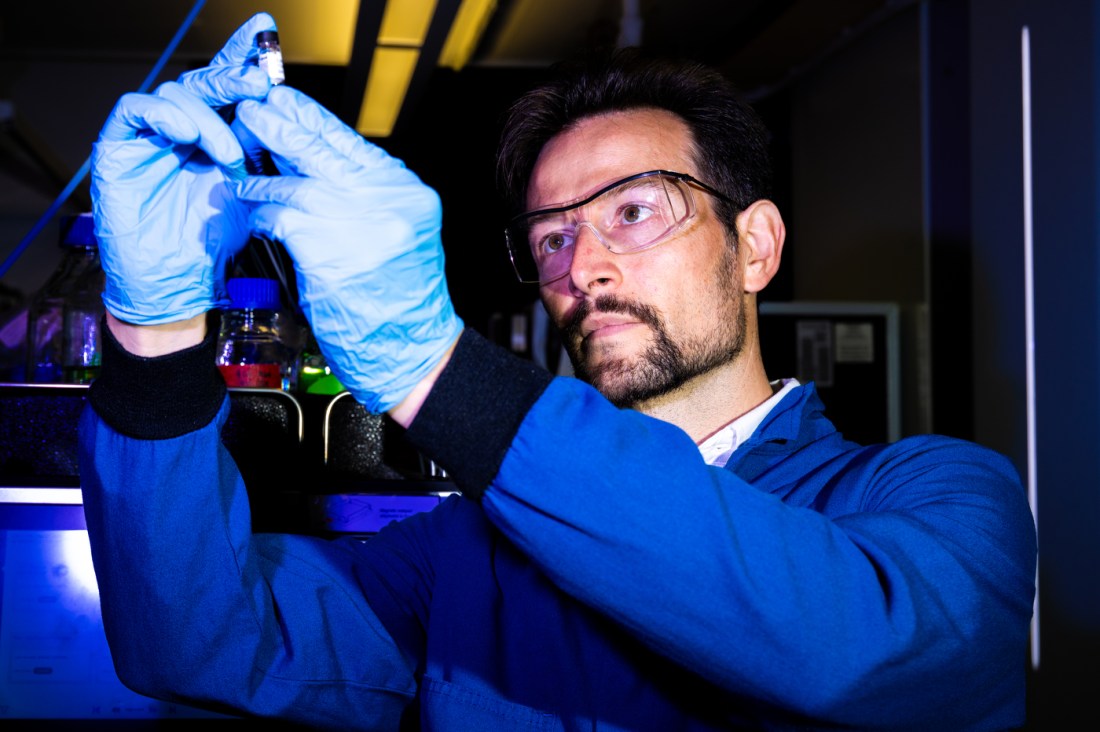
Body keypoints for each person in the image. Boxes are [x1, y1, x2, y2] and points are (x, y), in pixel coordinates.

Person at [78, 11, 1037, 731]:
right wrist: (152, 332)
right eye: (551, 238)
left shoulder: (936, 494)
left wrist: (438, 372)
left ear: (756, 246)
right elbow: (197, 640)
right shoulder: (467, 550)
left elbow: (865, 650)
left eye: (634, 211)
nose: (583, 268)